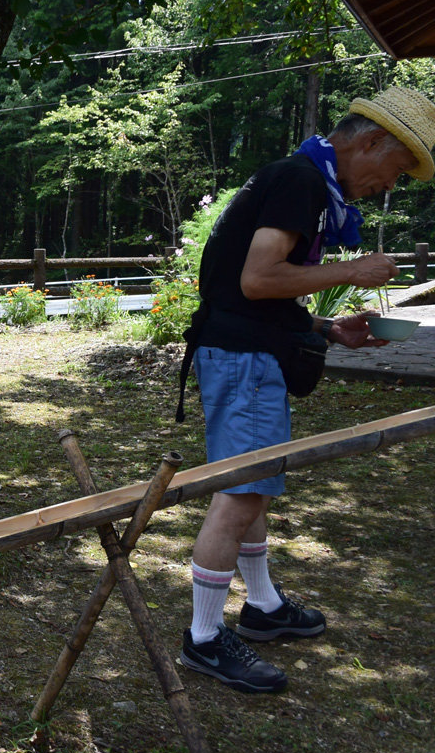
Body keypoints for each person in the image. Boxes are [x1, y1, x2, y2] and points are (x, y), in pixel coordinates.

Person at [177, 87, 435, 694]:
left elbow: (245, 290)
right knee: (240, 494)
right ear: (371, 143)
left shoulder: (301, 177)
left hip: (243, 350)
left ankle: (262, 605)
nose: (385, 188)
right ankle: (204, 640)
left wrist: (325, 328)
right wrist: (354, 271)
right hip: (242, 359)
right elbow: (259, 277)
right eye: (393, 171)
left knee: (253, 488)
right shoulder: (302, 182)